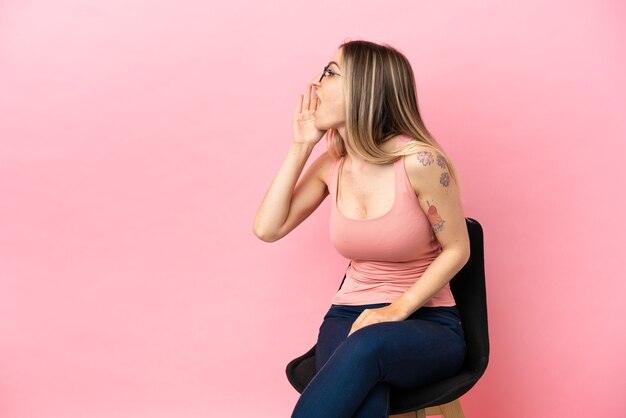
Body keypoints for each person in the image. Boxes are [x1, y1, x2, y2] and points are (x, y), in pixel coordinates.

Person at [253, 40, 470, 418]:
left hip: (427, 321)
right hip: (348, 315)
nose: (317, 84)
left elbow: (457, 249)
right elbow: (268, 229)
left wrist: (396, 310)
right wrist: (300, 146)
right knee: (365, 389)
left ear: (365, 88)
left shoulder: (420, 162)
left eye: (331, 72)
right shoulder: (331, 166)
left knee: (365, 351)